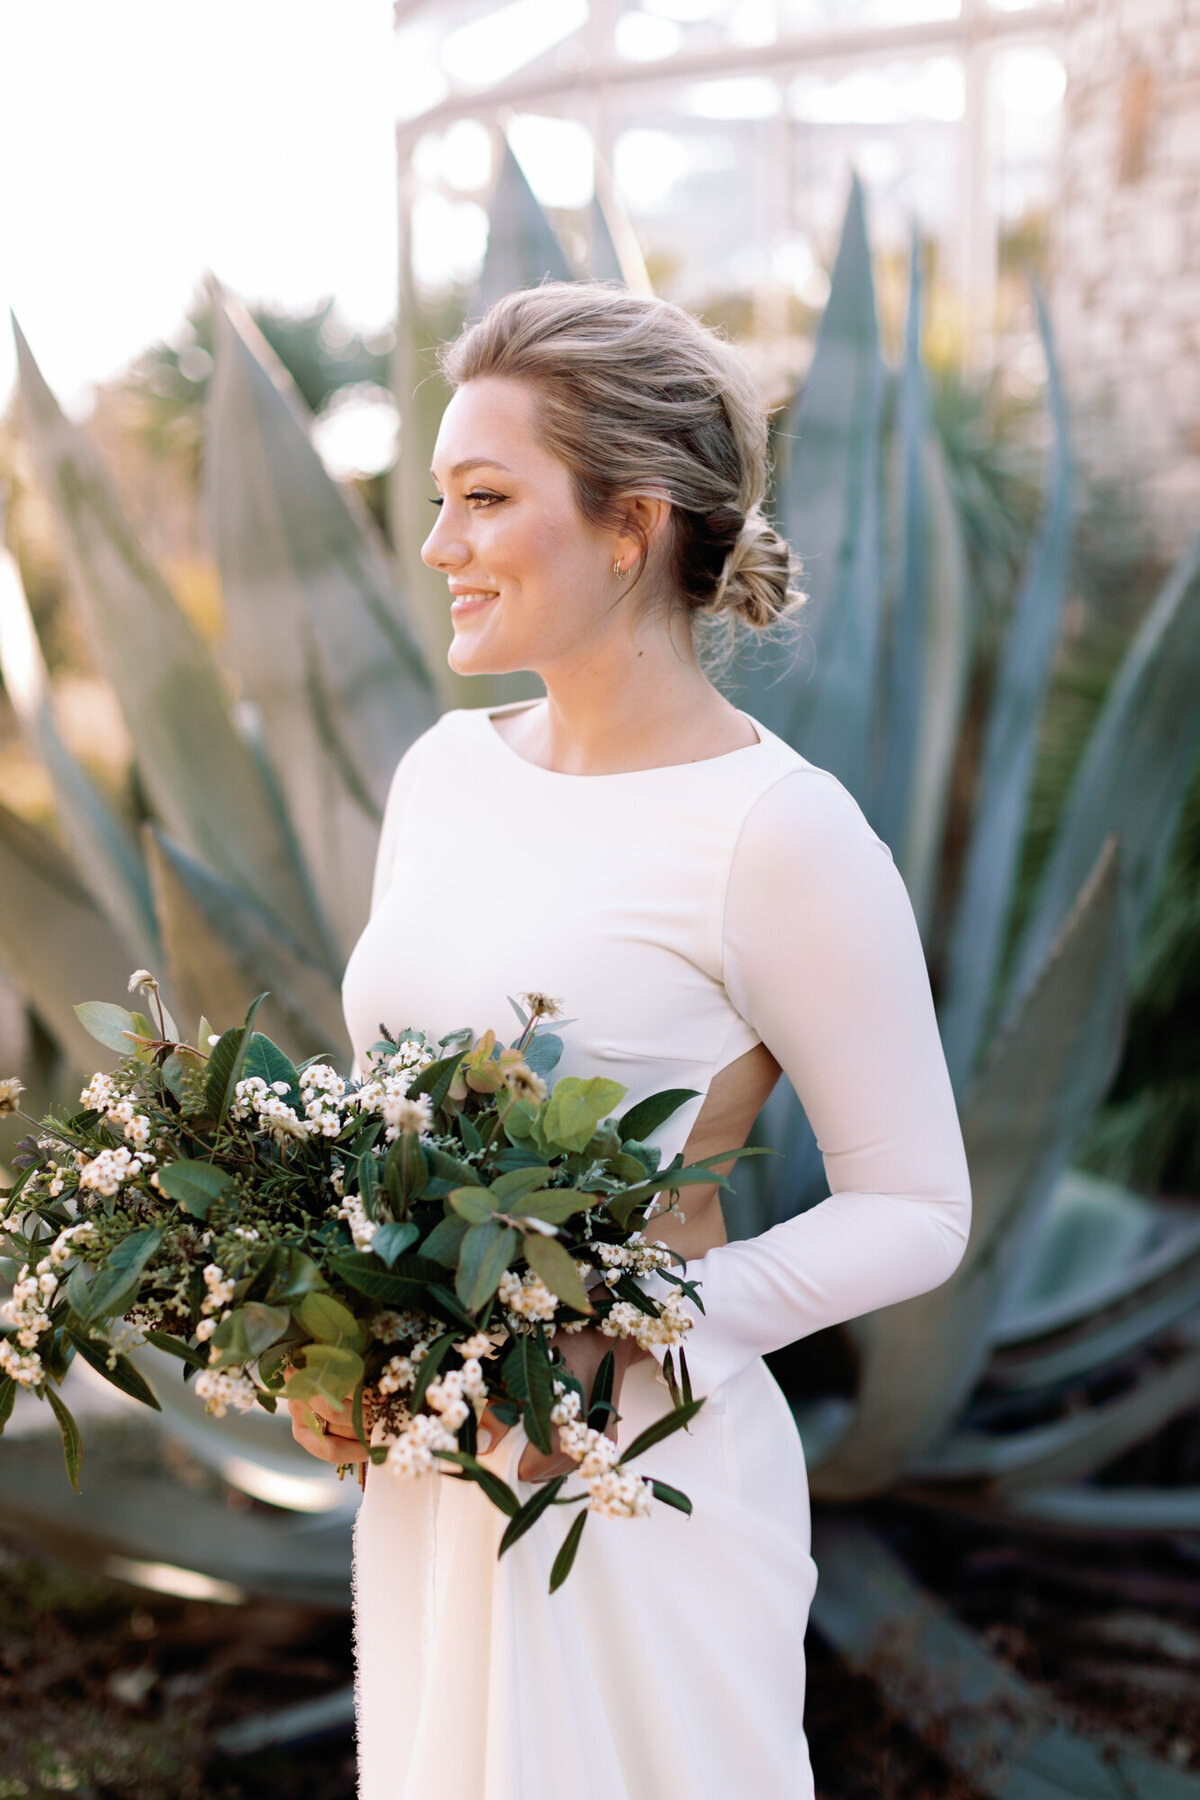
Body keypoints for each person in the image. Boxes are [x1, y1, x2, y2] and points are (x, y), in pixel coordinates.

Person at [290, 280, 973, 1800]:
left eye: (483, 499)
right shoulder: (443, 773)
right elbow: (391, 1117)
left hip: (633, 1488)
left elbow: (920, 1208)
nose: (438, 546)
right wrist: (326, 1331)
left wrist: (646, 1325)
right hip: (434, 1473)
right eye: (439, 500)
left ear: (630, 524)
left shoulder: (781, 835)